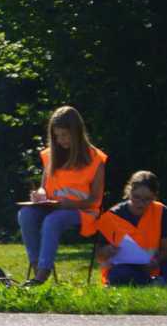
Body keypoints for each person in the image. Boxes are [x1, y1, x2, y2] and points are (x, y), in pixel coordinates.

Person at [18, 106, 107, 286]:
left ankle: (42, 274)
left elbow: (95, 200)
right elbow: (44, 187)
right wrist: (39, 195)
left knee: (53, 220)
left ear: (77, 132)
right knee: (25, 214)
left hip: (83, 212)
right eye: (57, 136)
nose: (60, 141)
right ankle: (36, 270)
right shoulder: (51, 155)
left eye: (65, 135)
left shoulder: (96, 158)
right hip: (53, 207)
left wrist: (70, 204)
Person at [93, 170, 167, 286]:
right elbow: (99, 256)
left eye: (147, 199)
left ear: (155, 197)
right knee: (119, 274)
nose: (140, 203)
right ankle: (162, 282)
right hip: (125, 269)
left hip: (154, 268)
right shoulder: (111, 216)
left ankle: (153, 282)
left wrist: (156, 261)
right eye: (136, 197)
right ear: (129, 192)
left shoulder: (162, 212)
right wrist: (108, 250)